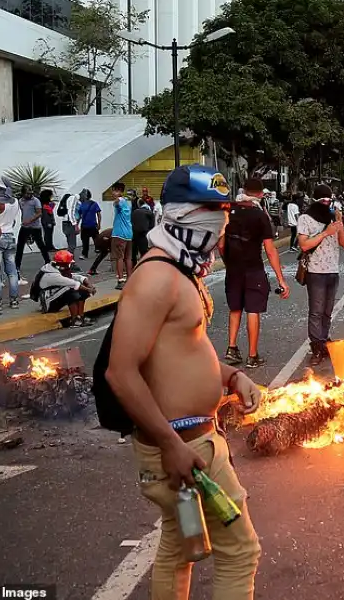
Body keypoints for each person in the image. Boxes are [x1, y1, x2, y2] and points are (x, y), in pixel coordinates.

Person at [105, 163, 262, 600]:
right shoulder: (155, 277)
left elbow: (180, 353)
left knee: (178, 549)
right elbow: (121, 372)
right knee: (240, 551)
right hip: (182, 448)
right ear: (179, 214)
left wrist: (231, 376)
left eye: (224, 210)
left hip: (193, 440)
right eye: (210, 210)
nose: (221, 220)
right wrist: (172, 446)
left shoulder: (182, 271)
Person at [221, 178, 290, 368]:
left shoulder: (229, 210)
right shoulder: (260, 215)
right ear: (260, 194)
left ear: (243, 190)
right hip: (253, 269)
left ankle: (232, 349)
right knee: (253, 310)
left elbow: (220, 242)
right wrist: (281, 280)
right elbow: (269, 249)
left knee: (235, 308)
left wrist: (228, 261)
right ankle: (252, 356)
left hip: (233, 269)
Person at [297, 184, 344, 366]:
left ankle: (325, 341)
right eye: (323, 200)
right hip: (316, 272)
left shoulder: (333, 218)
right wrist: (326, 233)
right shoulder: (306, 218)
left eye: (329, 200)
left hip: (332, 271)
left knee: (327, 312)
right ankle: (316, 347)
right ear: (316, 200)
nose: (327, 203)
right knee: (316, 312)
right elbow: (304, 245)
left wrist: (340, 225)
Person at [37, 250, 96, 327]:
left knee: (82, 289)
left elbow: (73, 276)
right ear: (63, 264)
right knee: (70, 289)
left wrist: (86, 282)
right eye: (69, 263)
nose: (70, 265)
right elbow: (72, 283)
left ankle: (80, 317)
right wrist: (89, 289)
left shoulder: (57, 267)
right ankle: (74, 320)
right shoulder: (52, 274)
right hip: (47, 304)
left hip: (54, 297)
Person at [0, 180, 21, 311]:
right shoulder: (15, 201)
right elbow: (13, 221)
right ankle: (14, 301)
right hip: (11, 237)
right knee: (12, 271)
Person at [15, 186, 50, 277]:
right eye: (27, 193)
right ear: (23, 193)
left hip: (35, 227)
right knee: (20, 246)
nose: (30, 194)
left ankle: (48, 262)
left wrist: (30, 220)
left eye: (31, 193)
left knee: (41, 245)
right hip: (24, 227)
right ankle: (17, 266)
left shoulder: (35, 201)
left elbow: (39, 213)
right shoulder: (20, 201)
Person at [111, 182, 133, 289]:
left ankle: (120, 280)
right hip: (129, 233)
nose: (113, 193)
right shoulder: (127, 203)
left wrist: (116, 200)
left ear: (118, 191)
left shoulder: (120, 200)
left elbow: (117, 202)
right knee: (128, 258)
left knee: (119, 257)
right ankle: (130, 278)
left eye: (114, 191)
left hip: (119, 233)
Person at [77, 188, 101, 260]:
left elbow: (99, 214)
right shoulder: (82, 204)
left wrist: (99, 224)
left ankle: (98, 250)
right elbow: (79, 215)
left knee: (96, 240)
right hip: (85, 226)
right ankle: (84, 254)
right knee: (85, 241)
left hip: (93, 225)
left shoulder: (94, 203)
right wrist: (77, 225)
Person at [131, 198, 155, 264]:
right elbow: (152, 226)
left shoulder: (134, 212)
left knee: (133, 255)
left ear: (139, 204)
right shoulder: (150, 212)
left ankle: (134, 268)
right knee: (144, 253)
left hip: (135, 235)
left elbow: (131, 223)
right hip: (144, 235)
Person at [57, 189, 80, 259]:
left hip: (64, 224)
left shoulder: (64, 205)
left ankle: (69, 259)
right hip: (70, 224)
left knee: (70, 243)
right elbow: (72, 213)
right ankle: (69, 260)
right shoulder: (73, 201)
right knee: (72, 245)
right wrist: (75, 225)